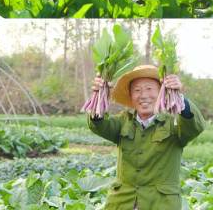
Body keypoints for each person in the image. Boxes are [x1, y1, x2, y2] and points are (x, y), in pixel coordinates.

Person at [87, 65, 204, 210]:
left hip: (160, 205)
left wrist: (179, 97)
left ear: (162, 93)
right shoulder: (123, 121)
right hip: (122, 203)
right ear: (131, 95)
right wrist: (99, 95)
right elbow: (99, 124)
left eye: (149, 89)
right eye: (137, 90)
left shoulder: (173, 124)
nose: (143, 95)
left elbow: (194, 126)